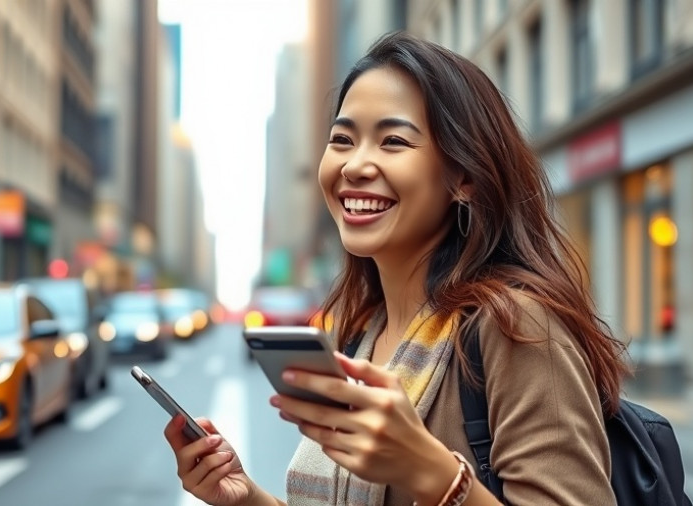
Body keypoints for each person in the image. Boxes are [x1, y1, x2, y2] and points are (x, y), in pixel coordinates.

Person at [162, 31, 629, 506]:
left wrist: (430, 471)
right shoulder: (360, 332)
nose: (355, 165)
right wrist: (244, 498)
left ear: (463, 177)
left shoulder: (517, 326)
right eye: (342, 139)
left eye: (393, 141)